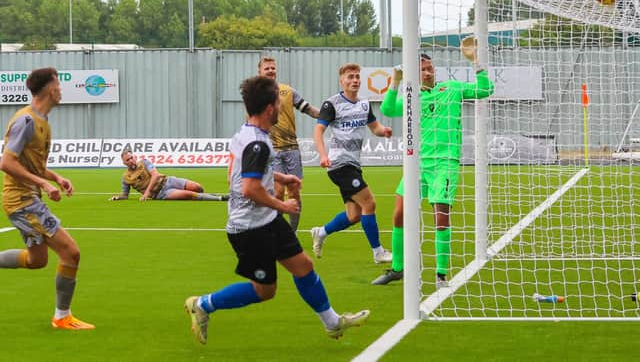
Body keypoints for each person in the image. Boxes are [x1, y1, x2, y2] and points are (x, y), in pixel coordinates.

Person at [184, 76, 369, 344]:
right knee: (265, 290)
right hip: (249, 228)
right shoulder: (257, 143)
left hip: (266, 221)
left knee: (304, 266)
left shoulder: (250, 133)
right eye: (280, 103)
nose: (283, 107)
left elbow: (240, 173)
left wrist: (281, 179)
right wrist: (284, 204)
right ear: (271, 108)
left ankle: (332, 323)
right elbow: (249, 188)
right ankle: (202, 304)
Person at [371, 41, 494, 287]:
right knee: (398, 215)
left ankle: (440, 274)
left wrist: (476, 61)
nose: (428, 72)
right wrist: (395, 80)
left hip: (445, 163)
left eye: (430, 68)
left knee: (440, 217)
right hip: (417, 164)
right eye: (422, 70)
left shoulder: (452, 88)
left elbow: (486, 89)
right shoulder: (411, 96)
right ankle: (397, 268)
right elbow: (387, 109)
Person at [0, 67, 95, 330]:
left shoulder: (42, 122)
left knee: (36, 260)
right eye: (59, 85)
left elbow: (31, 164)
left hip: (24, 198)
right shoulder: (26, 121)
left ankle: (62, 316)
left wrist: (55, 178)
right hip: (22, 201)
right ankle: (62, 317)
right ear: (51, 89)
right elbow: (6, 162)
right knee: (71, 252)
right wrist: (42, 182)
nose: (61, 90)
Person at [310, 63, 393, 264]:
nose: (354, 80)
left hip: (353, 164)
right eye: (350, 77)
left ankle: (321, 232)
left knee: (354, 215)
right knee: (369, 202)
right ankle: (378, 252)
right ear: (341, 81)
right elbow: (318, 131)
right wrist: (322, 155)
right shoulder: (332, 104)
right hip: (339, 164)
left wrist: (384, 131)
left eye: (357, 77)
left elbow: (375, 128)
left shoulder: (364, 104)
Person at [258, 57, 319, 231]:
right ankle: (276, 230)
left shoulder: (287, 91)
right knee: (277, 193)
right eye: (267, 68)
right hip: (271, 150)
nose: (270, 70)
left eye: (272, 68)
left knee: (294, 193)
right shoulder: (257, 93)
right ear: (260, 72)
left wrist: (326, 115)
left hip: (292, 148)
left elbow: (308, 109)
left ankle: (292, 231)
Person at [109, 149, 228, 201]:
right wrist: (118, 197)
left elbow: (155, 175)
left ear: (134, 156)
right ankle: (220, 198)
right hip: (161, 193)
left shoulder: (144, 162)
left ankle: (211, 196)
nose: (131, 160)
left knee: (197, 187)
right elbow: (125, 195)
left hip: (168, 181)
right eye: (127, 160)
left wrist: (146, 193)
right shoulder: (126, 178)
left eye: (131, 157)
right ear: (124, 162)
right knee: (190, 195)